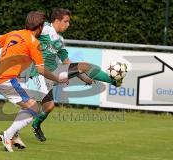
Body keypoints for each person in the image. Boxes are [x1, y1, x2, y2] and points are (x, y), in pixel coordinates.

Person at [0, 10, 68, 152]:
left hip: (6, 79)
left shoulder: (14, 33)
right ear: (40, 27)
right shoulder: (34, 43)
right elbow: (41, 70)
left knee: (27, 106)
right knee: (34, 108)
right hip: (7, 80)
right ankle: (8, 135)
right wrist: (57, 79)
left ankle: (14, 134)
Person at [28, 8, 125, 142]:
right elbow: (29, 34)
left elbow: (67, 62)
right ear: (56, 21)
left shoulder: (59, 41)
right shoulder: (44, 28)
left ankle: (112, 81)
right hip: (40, 73)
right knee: (49, 107)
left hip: (54, 71)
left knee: (84, 66)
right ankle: (35, 124)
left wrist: (84, 77)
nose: (68, 24)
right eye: (66, 21)